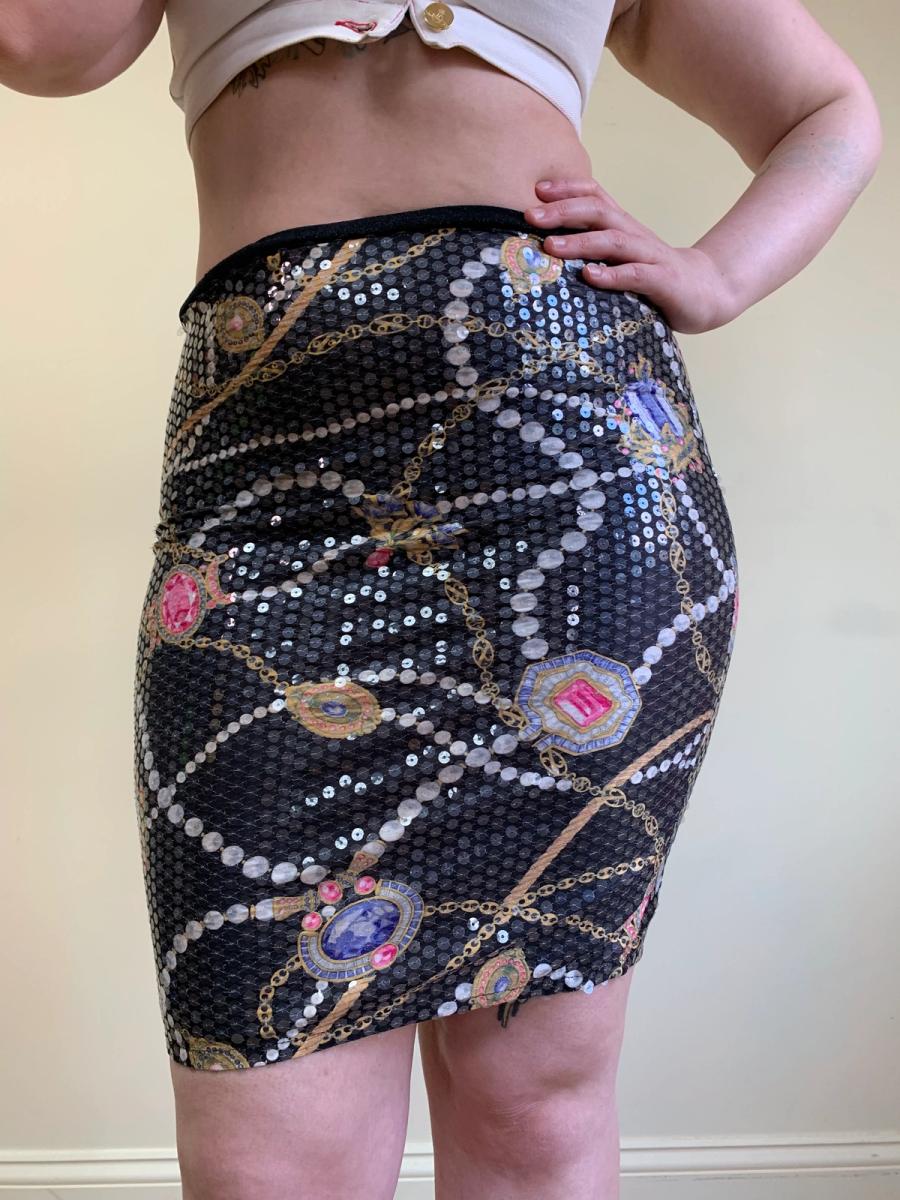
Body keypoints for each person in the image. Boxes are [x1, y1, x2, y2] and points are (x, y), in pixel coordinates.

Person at [1, 3, 881, 1198]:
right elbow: (43, 42)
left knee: (532, 1097)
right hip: (261, 501)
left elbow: (828, 109)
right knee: (265, 1136)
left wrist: (719, 272)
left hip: (567, 480)